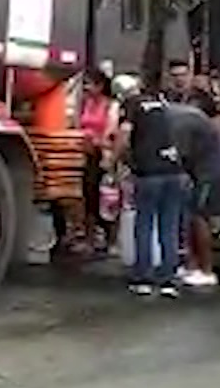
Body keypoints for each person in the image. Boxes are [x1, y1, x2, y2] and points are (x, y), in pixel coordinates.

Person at [115, 75, 190, 298]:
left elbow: (125, 134)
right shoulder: (162, 103)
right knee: (169, 226)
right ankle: (168, 279)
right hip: (174, 171)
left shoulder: (132, 105)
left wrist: (113, 160)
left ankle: (143, 278)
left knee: (144, 224)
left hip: (149, 173)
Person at [168, 95, 220, 288]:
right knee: (192, 217)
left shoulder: (181, 120)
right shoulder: (182, 115)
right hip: (203, 170)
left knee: (200, 217)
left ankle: (207, 269)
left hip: (209, 173)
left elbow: (181, 153)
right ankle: (193, 266)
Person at [74, 69, 119, 256]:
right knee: (88, 196)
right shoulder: (84, 103)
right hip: (86, 154)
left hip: (104, 155)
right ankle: (89, 238)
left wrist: (101, 143)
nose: (85, 87)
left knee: (108, 198)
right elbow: (77, 124)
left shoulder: (111, 106)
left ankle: (111, 240)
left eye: (89, 84)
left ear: (100, 86)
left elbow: (112, 131)